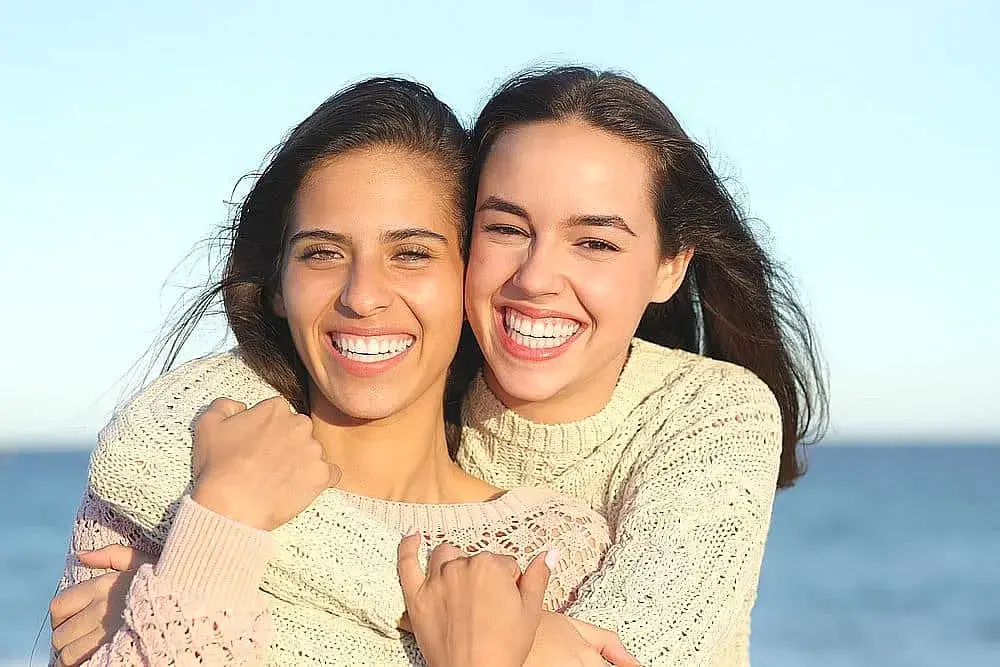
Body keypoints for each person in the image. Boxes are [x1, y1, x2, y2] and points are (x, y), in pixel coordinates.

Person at [52, 66, 827, 667]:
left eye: (594, 241)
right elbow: (141, 448)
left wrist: (192, 574)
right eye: (507, 229)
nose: (536, 279)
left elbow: (620, 655)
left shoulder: (610, 500)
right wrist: (219, 525)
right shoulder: (212, 448)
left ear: (671, 265)